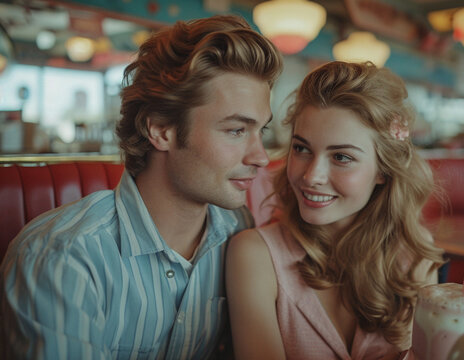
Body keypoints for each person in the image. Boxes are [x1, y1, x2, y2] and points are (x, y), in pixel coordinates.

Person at [0, 15, 282, 359]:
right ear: (161, 130)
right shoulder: (65, 256)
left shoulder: (239, 231)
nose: (261, 157)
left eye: (260, 131)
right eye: (236, 130)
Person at [226, 61, 444, 360]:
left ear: (383, 169)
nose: (312, 175)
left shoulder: (415, 253)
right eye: (302, 148)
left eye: (341, 156)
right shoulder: (255, 255)